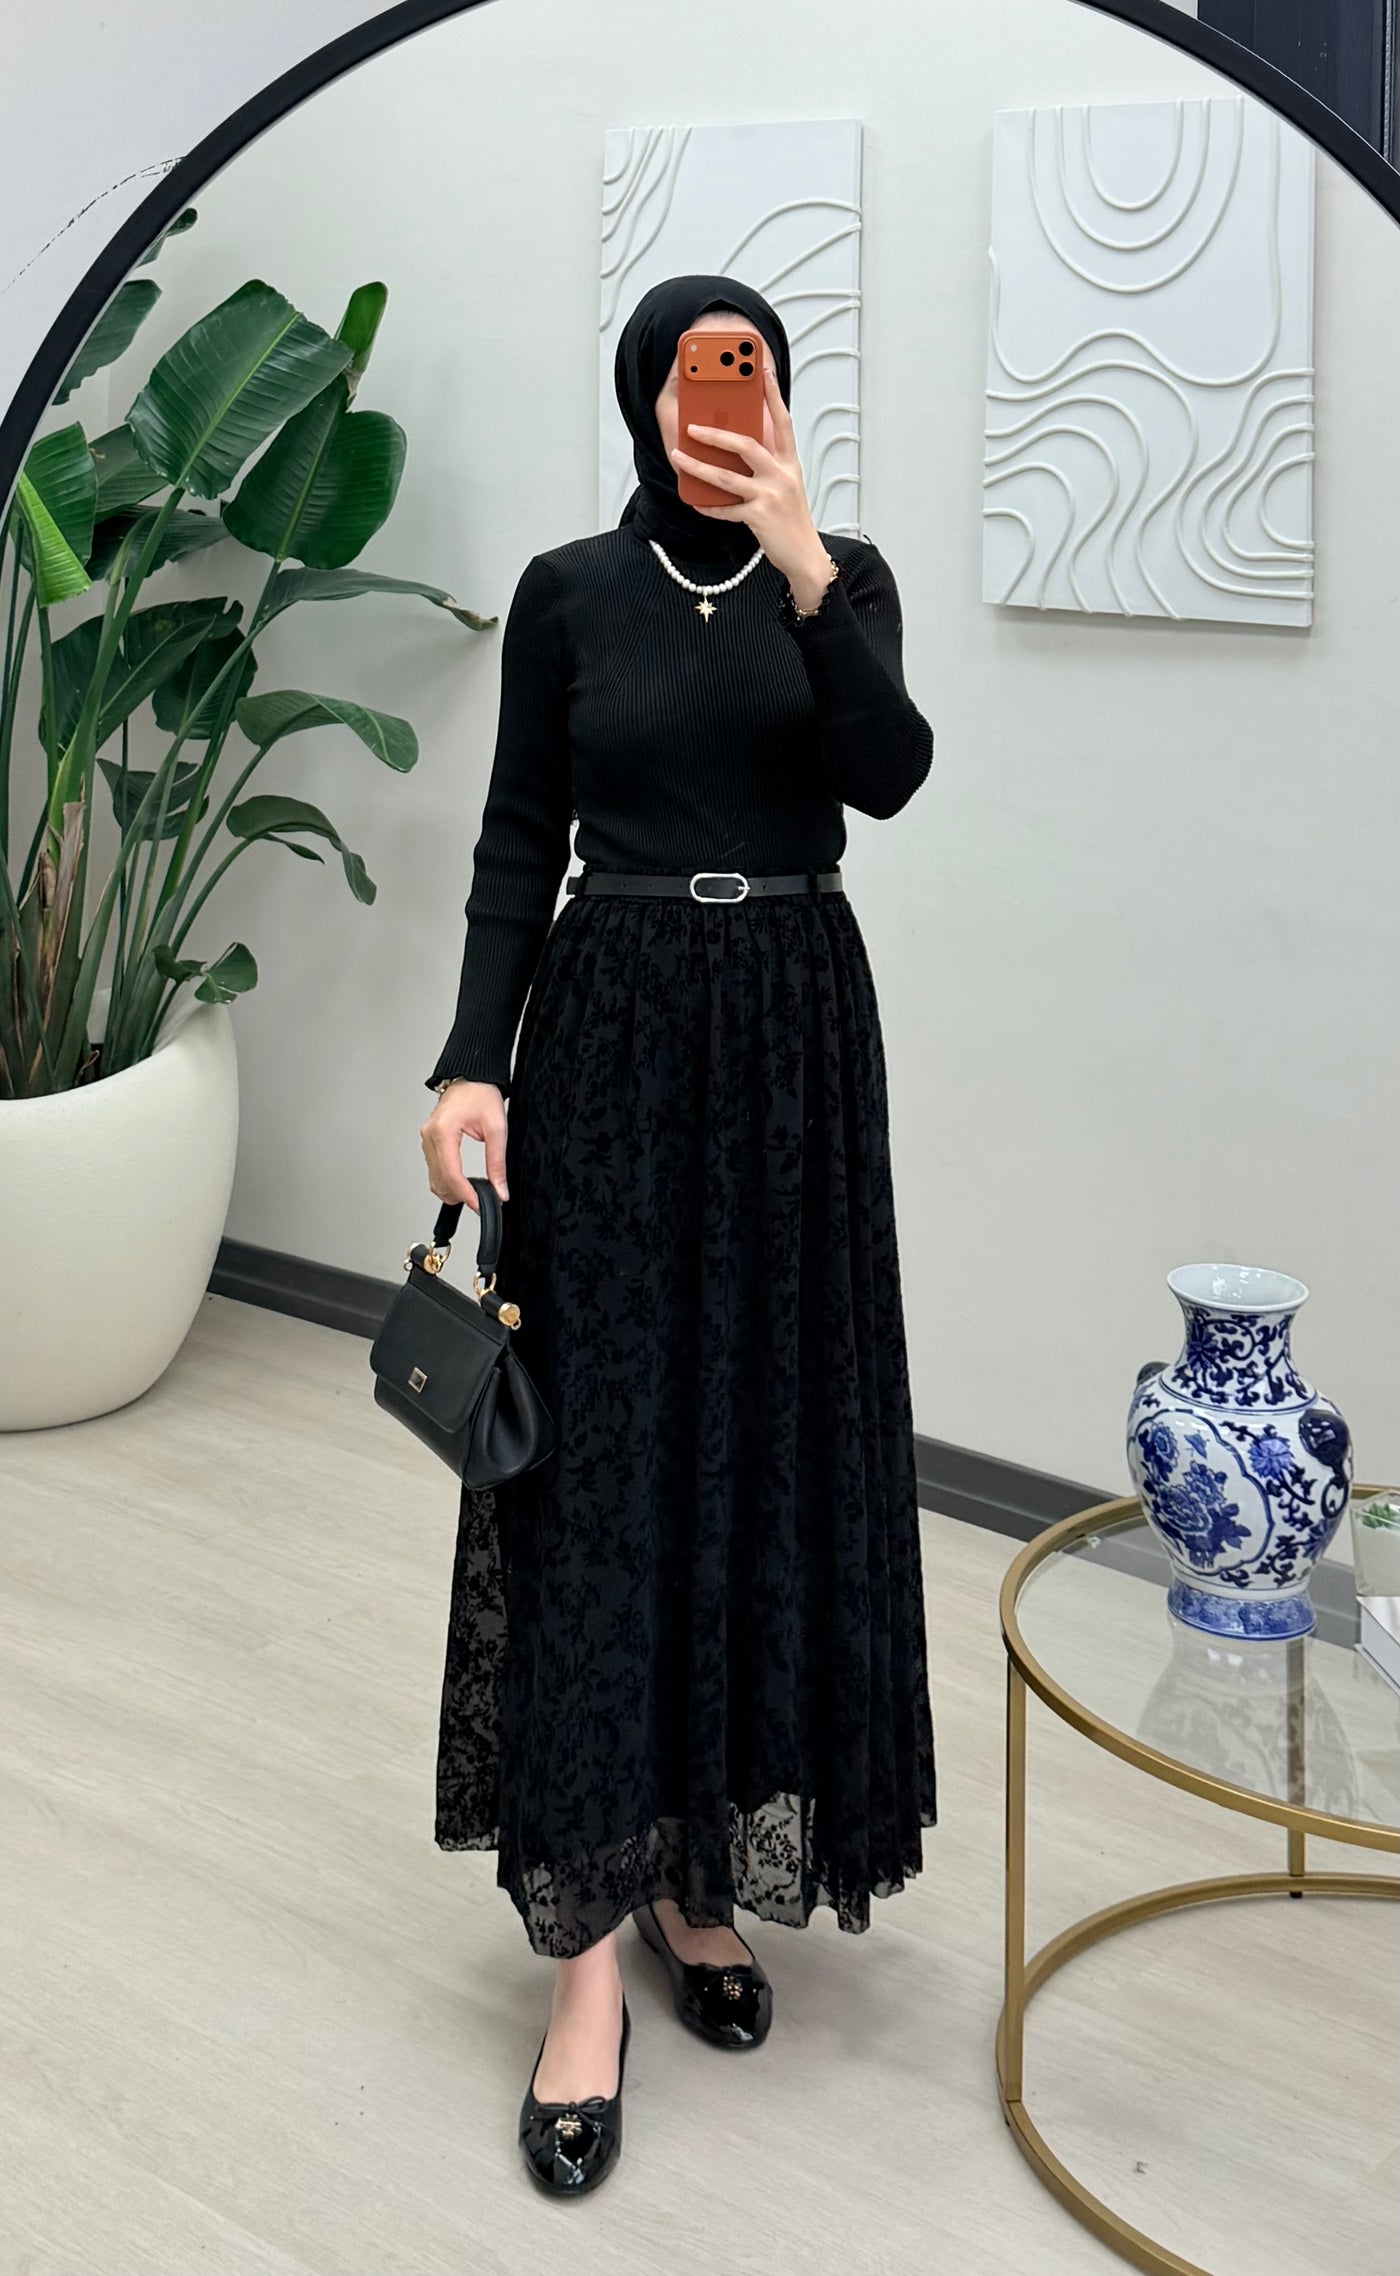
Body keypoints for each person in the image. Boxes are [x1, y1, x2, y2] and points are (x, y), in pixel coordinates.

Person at [418, 273, 937, 2197]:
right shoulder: (569, 593)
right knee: (607, 1478)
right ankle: (586, 1971)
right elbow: (515, 840)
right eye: (700, 377)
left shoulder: (844, 579)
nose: (729, 400)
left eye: (759, 374)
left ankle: (696, 1879)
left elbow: (889, 774)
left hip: (794, 1042)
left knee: (759, 1459)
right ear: (646, 400)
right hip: (615, 1039)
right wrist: (471, 1062)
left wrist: (804, 564)